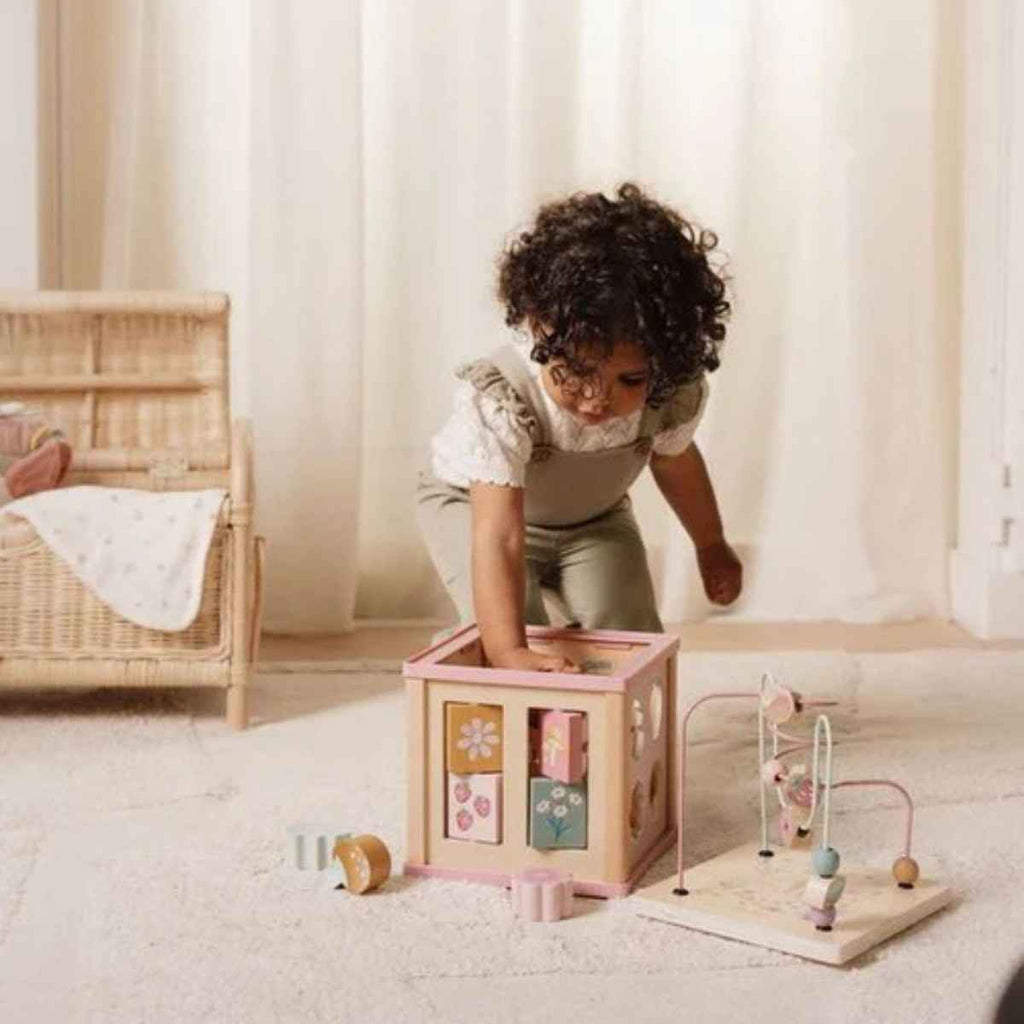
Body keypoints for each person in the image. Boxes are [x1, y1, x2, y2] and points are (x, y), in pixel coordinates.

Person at [417, 182, 741, 672]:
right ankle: (471, 659)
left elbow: (677, 463)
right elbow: (499, 535)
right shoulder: (502, 400)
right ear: (538, 328)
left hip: (595, 521)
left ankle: (597, 723)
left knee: (631, 637)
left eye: (629, 378)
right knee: (508, 626)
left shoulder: (667, 396)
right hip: (481, 511)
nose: (598, 398)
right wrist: (510, 651)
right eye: (578, 371)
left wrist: (711, 544)